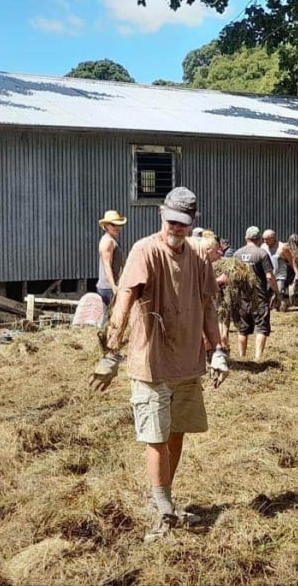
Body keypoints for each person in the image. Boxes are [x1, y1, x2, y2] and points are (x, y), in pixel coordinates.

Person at [88, 186, 229, 542]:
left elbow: (209, 306)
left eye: (183, 224)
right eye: (171, 221)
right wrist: (111, 350)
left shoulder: (198, 259)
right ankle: (163, 509)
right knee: (155, 438)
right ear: (161, 216)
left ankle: (167, 497)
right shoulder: (144, 250)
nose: (176, 229)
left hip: (187, 363)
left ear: (192, 222)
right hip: (151, 363)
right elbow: (124, 297)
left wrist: (218, 350)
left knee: (176, 432)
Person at [233, 225, 282, 361]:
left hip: (242, 297)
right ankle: (257, 357)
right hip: (259, 296)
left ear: (246, 238)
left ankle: (242, 356)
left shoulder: (237, 254)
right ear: (259, 239)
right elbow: (269, 276)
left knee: (243, 329)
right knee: (261, 327)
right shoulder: (261, 254)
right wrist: (276, 293)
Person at [262, 229, 298, 311]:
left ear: (273, 238)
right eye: (263, 239)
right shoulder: (263, 247)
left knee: (279, 292)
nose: (264, 241)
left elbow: (291, 261)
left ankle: (281, 307)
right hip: (268, 275)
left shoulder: (282, 248)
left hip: (279, 275)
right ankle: (275, 306)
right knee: (266, 295)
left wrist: (296, 272)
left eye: (266, 239)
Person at [95, 210, 127, 307]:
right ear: (106, 226)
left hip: (110, 286)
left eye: (118, 225)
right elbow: (107, 265)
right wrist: (113, 286)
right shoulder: (108, 241)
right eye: (113, 225)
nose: (117, 228)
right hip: (108, 287)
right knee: (112, 317)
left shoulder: (111, 240)